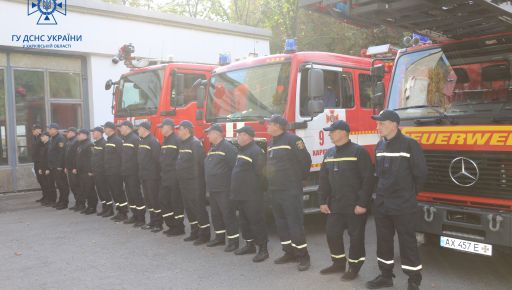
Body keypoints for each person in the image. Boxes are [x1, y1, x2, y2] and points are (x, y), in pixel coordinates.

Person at [366, 110, 428, 290]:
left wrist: (408, 194)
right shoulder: (380, 146)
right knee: (383, 241)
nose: (378, 127)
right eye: (377, 124)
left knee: (407, 242)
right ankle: (386, 276)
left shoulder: (410, 145)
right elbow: (377, 175)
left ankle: (413, 280)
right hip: (383, 204)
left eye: (381, 123)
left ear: (394, 124)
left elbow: (421, 174)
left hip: (403, 204)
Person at [318, 120, 375, 281]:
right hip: (335, 204)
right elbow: (323, 180)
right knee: (332, 234)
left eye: (332, 131)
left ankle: (354, 267)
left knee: (356, 238)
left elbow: (368, 180)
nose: (329, 134)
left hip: (354, 205)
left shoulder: (359, 152)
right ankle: (338, 263)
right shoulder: (329, 153)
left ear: (343, 132)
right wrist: (322, 201)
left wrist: (363, 204)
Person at [266, 114, 312, 271]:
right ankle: (289, 252)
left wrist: (298, 180)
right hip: (275, 190)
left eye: (269, 124)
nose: (267, 127)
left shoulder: (293, 140)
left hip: (290, 190)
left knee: (294, 223)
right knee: (281, 223)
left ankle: (303, 256)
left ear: (277, 125)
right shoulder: (271, 143)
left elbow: (305, 161)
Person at [231, 126, 269, 262]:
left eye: (240, 134)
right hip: (241, 194)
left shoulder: (256, 151)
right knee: (244, 221)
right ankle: (249, 244)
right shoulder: (242, 150)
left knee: (256, 222)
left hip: (252, 195)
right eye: (238, 135)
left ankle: (263, 250)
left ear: (249, 136)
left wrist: (257, 191)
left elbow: (262, 174)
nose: (238, 137)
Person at [204, 124, 239, 252]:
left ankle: (233, 241)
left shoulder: (228, 148)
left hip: (224, 188)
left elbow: (235, 168)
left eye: (209, 133)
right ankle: (219, 237)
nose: (207, 135)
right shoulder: (213, 148)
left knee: (228, 215)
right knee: (215, 214)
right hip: (213, 188)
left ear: (217, 134)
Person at [175, 120, 210, 245]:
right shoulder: (182, 143)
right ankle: (194, 232)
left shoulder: (195, 144)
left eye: (180, 128)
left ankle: (205, 234)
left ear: (186, 130)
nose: (178, 131)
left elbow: (201, 164)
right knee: (189, 208)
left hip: (195, 183)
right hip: (184, 182)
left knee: (198, 208)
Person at [158, 118, 185, 236]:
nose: (160, 129)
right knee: (164, 201)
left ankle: (179, 227)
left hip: (174, 178)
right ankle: (171, 225)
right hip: (165, 177)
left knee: (176, 203)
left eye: (162, 127)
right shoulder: (165, 141)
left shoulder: (177, 140)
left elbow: (182, 160)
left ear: (169, 127)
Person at [118, 120, 146, 227]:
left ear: (128, 127)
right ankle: (134, 215)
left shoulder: (135, 139)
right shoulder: (125, 139)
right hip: (126, 172)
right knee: (130, 196)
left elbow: (139, 157)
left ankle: (141, 218)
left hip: (133, 173)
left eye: (122, 127)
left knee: (136, 195)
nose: (120, 129)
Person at [137, 121, 163, 232]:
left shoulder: (153, 141)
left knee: (154, 200)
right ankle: (152, 221)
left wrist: (156, 175)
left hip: (152, 176)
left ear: (144, 129)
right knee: (148, 200)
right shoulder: (142, 141)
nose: (138, 130)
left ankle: (158, 223)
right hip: (144, 175)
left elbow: (158, 159)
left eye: (139, 128)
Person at [103, 121, 129, 222]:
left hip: (116, 172)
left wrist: (120, 170)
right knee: (114, 192)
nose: (104, 130)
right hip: (109, 171)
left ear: (110, 129)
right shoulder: (109, 140)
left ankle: (124, 212)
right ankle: (119, 211)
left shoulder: (117, 140)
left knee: (118, 192)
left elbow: (121, 156)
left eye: (105, 128)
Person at [91, 126, 114, 217]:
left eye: (94, 132)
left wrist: (104, 171)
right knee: (100, 191)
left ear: (100, 133)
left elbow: (105, 160)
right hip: (96, 172)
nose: (93, 134)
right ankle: (105, 208)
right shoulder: (96, 144)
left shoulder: (104, 144)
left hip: (102, 172)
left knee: (105, 191)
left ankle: (110, 209)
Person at [46, 123, 69, 208]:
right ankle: (60, 201)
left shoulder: (60, 138)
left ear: (55, 129)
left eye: (50, 129)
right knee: (59, 185)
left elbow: (62, 153)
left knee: (62, 185)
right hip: (54, 166)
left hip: (58, 166)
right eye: (48, 129)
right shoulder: (53, 138)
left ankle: (64, 202)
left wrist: (60, 165)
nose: (49, 130)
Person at [75, 129, 98, 215]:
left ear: (84, 135)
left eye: (79, 134)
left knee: (90, 189)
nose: (78, 136)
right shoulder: (80, 144)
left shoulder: (89, 144)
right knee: (85, 189)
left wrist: (90, 170)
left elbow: (92, 158)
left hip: (87, 172)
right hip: (81, 172)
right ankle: (89, 206)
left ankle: (93, 207)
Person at [63, 127, 82, 211]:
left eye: (69, 132)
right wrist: (66, 167)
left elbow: (76, 156)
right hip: (69, 168)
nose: (67, 134)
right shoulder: (69, 142)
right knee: (73, 187)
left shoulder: (76, 142)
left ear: (73, 133)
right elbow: (67, 156)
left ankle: (81, 204)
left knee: (77, 186)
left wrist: (75, 167)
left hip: (74, 168)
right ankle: (77, 203)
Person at [37, 132, 53, 205]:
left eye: (43, 136)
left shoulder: (49, 145)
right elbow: (41, 158)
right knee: (45, 184)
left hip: (47, 168)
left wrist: (48, 169)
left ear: (47, 137)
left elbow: (49, 158)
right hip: (43, 168)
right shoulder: (44, 145)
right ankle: (47, 198)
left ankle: (51, 200)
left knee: (50, 185)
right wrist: (40, 168)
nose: (41, 138)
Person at [31, 124, 45, 203]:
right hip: (36, 162)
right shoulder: (35, 138)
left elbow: (43, 151)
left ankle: (49, 198)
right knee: (40, 180)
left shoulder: (42, 137)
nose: (32, 131)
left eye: (34, 130)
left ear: (39, 130)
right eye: (32, 130)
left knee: (44, 181)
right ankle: (44, 196)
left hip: (41, 162)